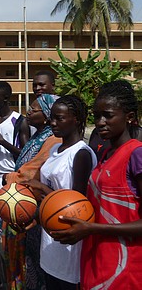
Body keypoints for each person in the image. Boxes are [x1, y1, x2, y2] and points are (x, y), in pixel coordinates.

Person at [52, 80, 142, 289]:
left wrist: (90, 228)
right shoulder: (105, 155)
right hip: (95, 260)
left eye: (108, 115)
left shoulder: (136, 154)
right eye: (97, 116)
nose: (100, 122)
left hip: (126, 268)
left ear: (129, 117)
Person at [23, 95, 97, 290]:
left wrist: (42, 189)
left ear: (77, 121)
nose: (52, 122)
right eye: (52, 117)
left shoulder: (81, 154)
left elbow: (77, 204)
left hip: (68, 240)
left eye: (60, 118)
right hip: (49, 235)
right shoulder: (56, 148)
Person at [1, 94, 61, 290]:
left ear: (46, 115)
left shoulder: (52, 140)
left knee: (32, 266)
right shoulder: (38, 136)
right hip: (21, 202)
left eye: (34, 109)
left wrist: (10, 177)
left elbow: (30, 173)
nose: (28, 111)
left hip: (32, 209)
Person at [0, 81, 30, 234]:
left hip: (10, 178)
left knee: (8, 223)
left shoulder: (19, 121)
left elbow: (25, 154)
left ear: (5, 99)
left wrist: (3, 142)